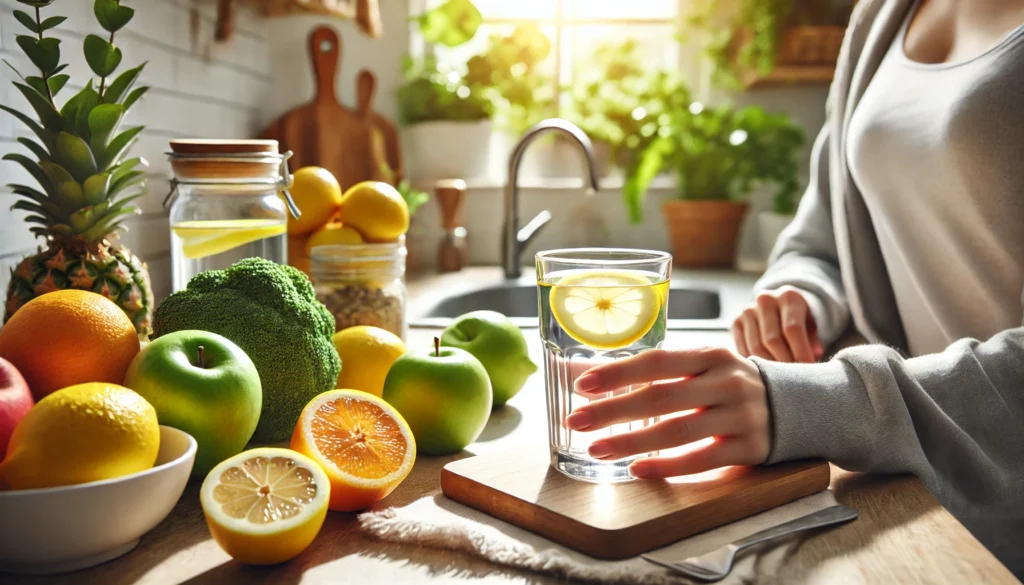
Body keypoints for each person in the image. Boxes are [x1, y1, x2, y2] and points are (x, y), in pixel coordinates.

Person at [565, 0, 1024, 576]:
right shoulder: (882, 13)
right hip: (919, 489)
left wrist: (810, 404)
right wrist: (799, 296)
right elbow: (825, 235)